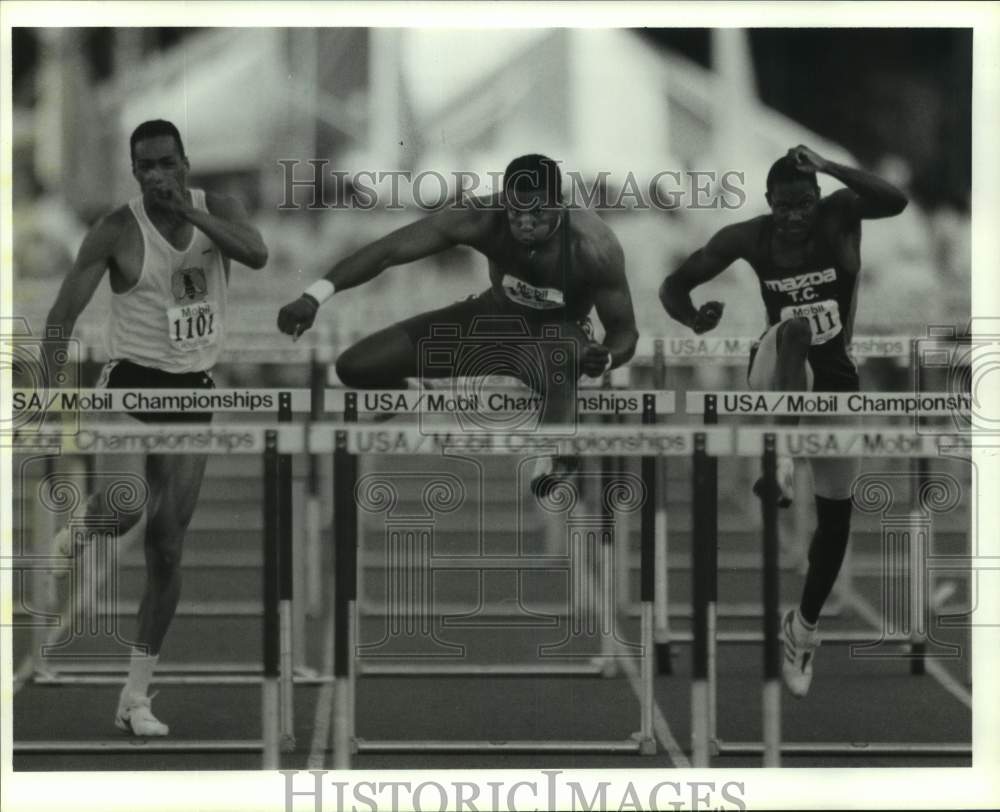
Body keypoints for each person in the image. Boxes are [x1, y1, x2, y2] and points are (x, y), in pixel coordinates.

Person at [39, 119, 268, 734]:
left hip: (193, 388)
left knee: (167, 545)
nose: (158, 176)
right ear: (134, 171)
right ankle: (83, 526)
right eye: (146, 167)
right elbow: (63, 314)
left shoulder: (216, 209)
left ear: (186, 163)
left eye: (168, 163)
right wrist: (44, 395)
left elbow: (256, 253)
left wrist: (193, 220)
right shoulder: (116, 230)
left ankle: (134, 698)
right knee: (129, 505)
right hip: (131, 381)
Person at [659, 145, 907, 697]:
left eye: (803, 204)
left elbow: (895, 200)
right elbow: (674, 286)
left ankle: (804, 627)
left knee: (837, 521)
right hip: (774, 372)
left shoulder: (840, 214)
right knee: (795, 330)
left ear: (815, 199)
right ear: (768, 203)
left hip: (836, 384)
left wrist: (827, 165)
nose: (794, 217)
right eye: (783, 206)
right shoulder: (748, 237)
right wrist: (692, 319)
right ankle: (784, 457)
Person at [277, 154, 639, 492]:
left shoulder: (594, 244)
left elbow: (624, 331)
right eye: (516, 213)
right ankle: (414, 393)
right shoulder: (482, 215)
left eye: (537, 213)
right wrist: (314, 295)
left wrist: (606, 358)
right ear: (503, 201)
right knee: (354, 367)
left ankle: (555, 453)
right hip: (491, 320)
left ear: (560, 203)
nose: (526, 223)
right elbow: (387, 251)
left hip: (555, 339)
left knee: (564, 353)